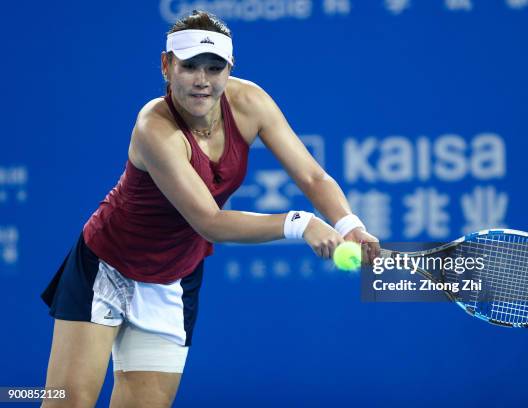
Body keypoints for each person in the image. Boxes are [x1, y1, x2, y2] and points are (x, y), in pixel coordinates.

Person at [40, 10, 379, 408]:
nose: (203, 80)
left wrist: (349, 223)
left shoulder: (250, 102)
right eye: (189, 67)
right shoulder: (155, 126)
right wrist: (299, 223)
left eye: (215, 68)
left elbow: (312, 177)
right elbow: (209, 221)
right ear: (167, 66)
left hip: (174, 278)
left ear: (230, 68)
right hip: (107, 267)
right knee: (67, 403)